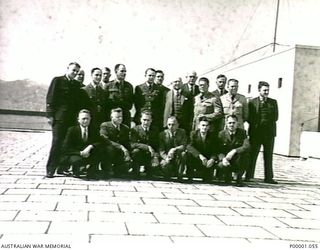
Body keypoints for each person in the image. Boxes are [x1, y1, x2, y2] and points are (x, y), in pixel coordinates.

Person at [45, 62, 86, 178]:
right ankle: (50, 169)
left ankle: (62, 168)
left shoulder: (77, 85)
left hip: (72, 119)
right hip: (60, 118)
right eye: (73, 70)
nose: (75, 73)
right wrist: (50, 116)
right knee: (57, 142)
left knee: (67, 144)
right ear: (67, 69)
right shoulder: (57, 80)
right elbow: (50, 98)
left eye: (77, 71)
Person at [245, 81, 279, 184]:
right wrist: (256, 125)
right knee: (252, 154)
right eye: (264, 90)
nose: (266, 92)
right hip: (256, 133)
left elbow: (276, 117)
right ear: (259, 90)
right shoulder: (252, 102)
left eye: (267, 90)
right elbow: (249, 117)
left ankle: (269, 177)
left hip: (269, 133)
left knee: (268, 155)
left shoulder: (273, 102)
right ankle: (249, 175)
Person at [60, 109, 100, 178]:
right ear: (78, 119)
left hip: (88, 152)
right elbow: (65, 147)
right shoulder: (72, 130)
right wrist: (80, 153)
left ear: (90, 119)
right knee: (77, 160)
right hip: (76, 153)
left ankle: (92, 171)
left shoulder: (94, 129)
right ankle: (76, 169)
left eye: (87, 118)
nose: (86, 121)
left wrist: (90, 146)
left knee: (101, 151)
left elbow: (99, 141)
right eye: (83, 119)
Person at [217, 114, 250, 186]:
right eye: (229, 123)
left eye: (233, 123)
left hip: (237, 159)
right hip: (226, 159)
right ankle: (226, 177)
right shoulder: (221, 134)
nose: (231, 125)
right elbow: (218, 150)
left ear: (237, 123)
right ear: (226, 123)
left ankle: (239, 177)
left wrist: (234, 151)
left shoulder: (242, 133)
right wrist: (223, 159)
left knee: (245, 156)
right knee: (220, 165)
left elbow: (247, 146)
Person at [99, 108, 132, 179]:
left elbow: (127, 142)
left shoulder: (125, 128)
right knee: (109, 148)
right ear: (111, 117)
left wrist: (128, 153)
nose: (120, 119)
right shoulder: (105, 125)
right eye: (117, 117)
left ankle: (117, 170)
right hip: (108, 151)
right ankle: (107, 169)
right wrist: (121, 147)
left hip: (119, 153)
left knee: (128, 163)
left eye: (121, 117)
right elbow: (105, 140)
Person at [186, 116, 218, 182]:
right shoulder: (193, 134)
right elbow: (189, 146)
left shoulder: (213, 136)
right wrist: (200, 156)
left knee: (208, 180)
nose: (204, 127)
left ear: (209, 127)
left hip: (207, 161)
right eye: (203, 125)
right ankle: (190, 175)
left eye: (206, 125)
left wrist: (212, 159)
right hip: (197, 159)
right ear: (199, 126)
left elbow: (215, 150)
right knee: (188, 154)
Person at [130, 110, 159, 179]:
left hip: (150, 155)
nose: (146, 122)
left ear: (151, 120)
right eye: (144, 120)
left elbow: (157, 144)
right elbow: (132, 144)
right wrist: (147, 147)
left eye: (148, 120)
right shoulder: (135, 129)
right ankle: (136, 171)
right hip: (140, 154)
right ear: (140, 119)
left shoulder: (155, 130)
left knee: (151, 175)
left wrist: (156, 156)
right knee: (135, 151)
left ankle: (149, 169)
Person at [159, 116, 187, 181]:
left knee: (184, 154)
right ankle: (168, 174)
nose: (171, 126)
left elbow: (184, 145)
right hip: (167, 156)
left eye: (173, 124)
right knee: (164, 165)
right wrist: (166, 158)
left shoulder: (182, 132)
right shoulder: (162, 134)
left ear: (177, 125)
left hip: (178, 156)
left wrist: (174, 149)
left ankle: (180, 175)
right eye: (169, 124)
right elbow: (161, 149)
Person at [181, 71, 200, 135]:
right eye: (190, 77)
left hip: (195, 116)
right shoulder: (181, 88)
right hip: (183, 117)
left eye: (193, 77)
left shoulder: (199, 89)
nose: (192, 78)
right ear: (186, 77)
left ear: (196, 78)